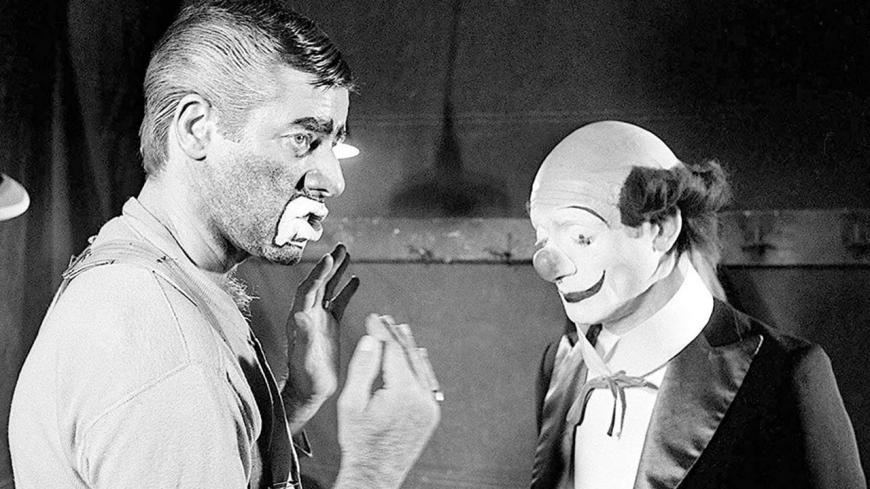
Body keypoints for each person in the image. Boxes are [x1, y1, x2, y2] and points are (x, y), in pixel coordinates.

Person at [8, 2, 439, 488]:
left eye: (332, 144)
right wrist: (374, 466)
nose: (333, 180)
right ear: (197, 129)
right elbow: (176, 401)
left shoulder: (149, 268)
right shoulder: (165, 350)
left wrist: (298, 398)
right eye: (303, 139)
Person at [529, 121, 865, 489]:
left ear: (661, 229)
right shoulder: (560, 366)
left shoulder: (784, 375)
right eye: (543, 239)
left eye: (581, 236)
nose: (549, 265)